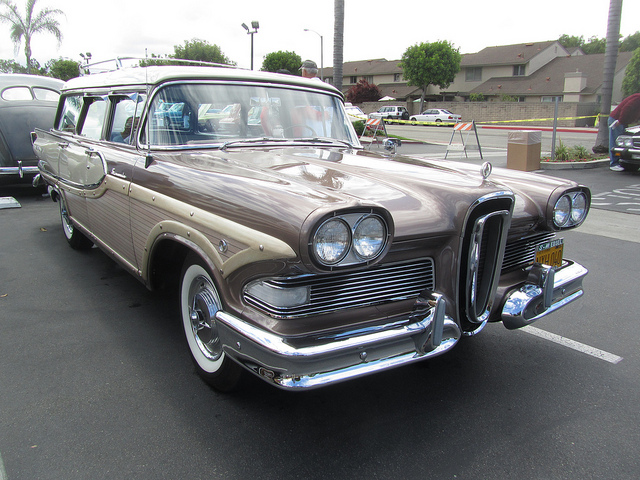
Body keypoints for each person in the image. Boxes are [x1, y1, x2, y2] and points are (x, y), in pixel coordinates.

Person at [608, 93, 640, 171]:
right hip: (616, 120)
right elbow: (627, 108)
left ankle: (618, 162)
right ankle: (614, 164)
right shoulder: (638, 98)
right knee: (615, 141)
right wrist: (620, 120)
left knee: (621, 142)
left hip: (623, 121)